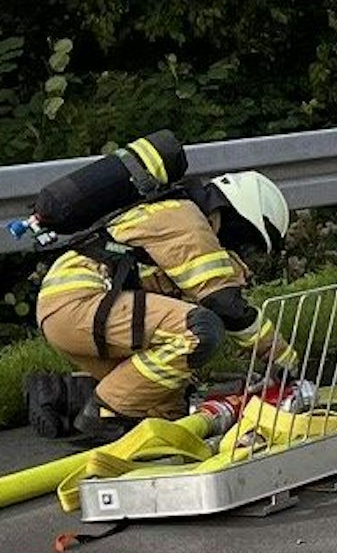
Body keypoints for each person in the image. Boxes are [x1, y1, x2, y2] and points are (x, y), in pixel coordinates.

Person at [31, 171, 299, 443]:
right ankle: (103, 415)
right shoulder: (185, 218)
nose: (240, 251)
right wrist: (282, 358)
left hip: (74, 309)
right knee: (198, 331)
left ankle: (61, 395)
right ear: (238, 216)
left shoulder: (170, 213)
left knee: (170, 407)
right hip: (82, 303)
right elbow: (223, 303)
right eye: (245, 241)